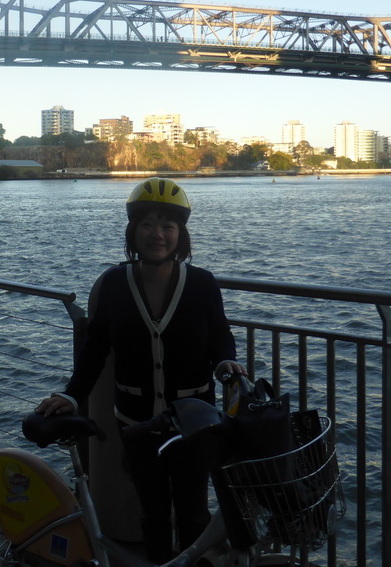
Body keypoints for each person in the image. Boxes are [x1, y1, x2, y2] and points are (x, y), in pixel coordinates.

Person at [37, 177, 247, 562]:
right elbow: (96, 347)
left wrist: (225, 362)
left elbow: (220, 335)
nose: (158, 234)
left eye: (168, 225)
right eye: (148, 224)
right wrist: (71, 394)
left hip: (195, 422)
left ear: (180, 235)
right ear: (133, 231)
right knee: (151, 512)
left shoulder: (202, 284)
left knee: (193, 512)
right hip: (134, 422)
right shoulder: (116, 284)